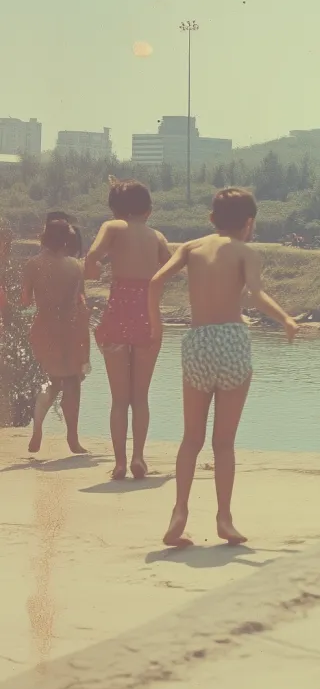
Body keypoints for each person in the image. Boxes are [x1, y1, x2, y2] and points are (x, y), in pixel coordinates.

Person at [147, 188, 298, 547]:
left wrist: (156, 327)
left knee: (191, 439)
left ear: (212, 219)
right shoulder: (247, 252)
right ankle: (224, 519)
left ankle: (180, 512)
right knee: (224, 442)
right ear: (249, 222)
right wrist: (287, 320)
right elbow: (257, 296)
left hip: (197, 342)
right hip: (231, 341)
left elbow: (155, 282)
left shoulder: (191, 248)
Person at [83, 179, 171, 479]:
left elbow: (93, 255)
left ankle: (119, 462)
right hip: (147, 313)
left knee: (119, 399)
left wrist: (92, 272)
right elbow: (168, 268)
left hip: (119, 310)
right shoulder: (157, 235)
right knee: (140, 398)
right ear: (148, 209)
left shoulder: (113, 227)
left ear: (115, 209)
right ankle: (139, 458)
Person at [21, 217, 92, 456]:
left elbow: (25, 301)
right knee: (72, 382)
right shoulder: (75, 266)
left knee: (51, 381)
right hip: (70, 327)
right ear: (66, 241)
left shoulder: (33, 265)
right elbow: (80, 301)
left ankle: (38, 427)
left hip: (44, 325)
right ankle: (73, 437)